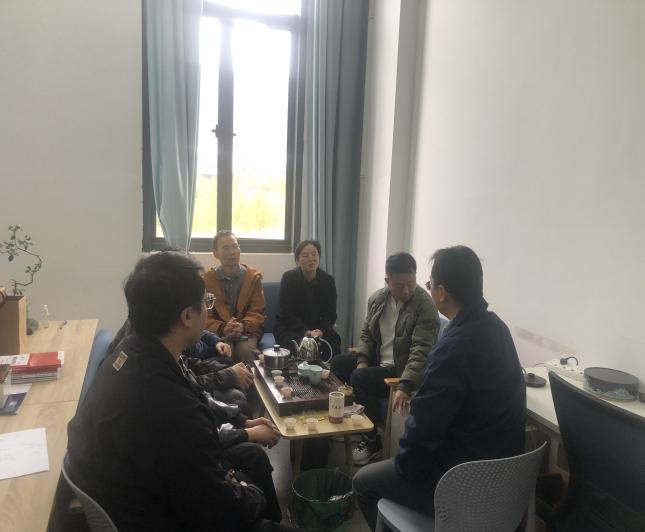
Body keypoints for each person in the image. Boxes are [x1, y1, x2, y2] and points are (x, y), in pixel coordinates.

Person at [67, 251, 300, 531]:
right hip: (156, 513)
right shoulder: (168, 405)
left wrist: (242, 425)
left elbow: (194, 408)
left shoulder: (129, 353)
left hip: (143, 487)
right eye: (206, 302)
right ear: (188, 316)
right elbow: (224, 508)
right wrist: (250, 492)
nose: (208, 309)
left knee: (250, 462)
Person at [352, 246, 527, 530]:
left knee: (363, 482)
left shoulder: (452, 348)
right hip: (507, 483)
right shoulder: (499, 328)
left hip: (461, 482)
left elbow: (423, 429)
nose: (426, 289)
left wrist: (404, 468)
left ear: (442, 292)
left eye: (429, 284)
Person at [331, 252, 440, 465]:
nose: (406, 290)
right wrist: (362, 360)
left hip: (401, 368)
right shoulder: (377, 299)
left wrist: (406, 385)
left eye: (411, 283)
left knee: (360, 378)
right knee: (338, 363)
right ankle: (353, 420)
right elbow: (367, 335)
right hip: (378, 360)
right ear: (387, 281)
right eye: (399, 285)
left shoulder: (424, 306)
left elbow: (422, 351)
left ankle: (371, 441)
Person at [204, 230, 266, 364]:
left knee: (245, 350)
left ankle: (249, 378)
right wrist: (222, 328)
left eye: (235, 247)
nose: (231, 252)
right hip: (219, 333)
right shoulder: (207, 280)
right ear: (215, 253)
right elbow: (204, 315)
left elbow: (257, 312)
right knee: (225, 350)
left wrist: (242, 326)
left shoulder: (252, 278)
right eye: (225, 248)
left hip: (248, 331)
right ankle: (228, 378)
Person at [274, 240, 341, 357]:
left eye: (314, 254)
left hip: (318, 328)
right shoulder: (288, 278)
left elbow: (330, 313)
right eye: (305, 256)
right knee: (296, 343)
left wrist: (321, 330)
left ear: (319, 257)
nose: (311, 259)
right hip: (291, 327)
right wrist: (305, 332)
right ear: (297, 260)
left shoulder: (328, 280)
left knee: (333, 341)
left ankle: (327, 369)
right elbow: (286, 312)